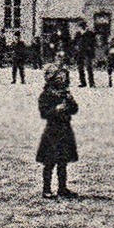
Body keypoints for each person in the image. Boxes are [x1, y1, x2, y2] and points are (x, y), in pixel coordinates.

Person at [36, 65, 80, 199]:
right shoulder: (46, 95)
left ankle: (62, 188)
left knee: (63, 161)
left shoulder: (65, 93)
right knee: (49, 162)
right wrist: (56, 109)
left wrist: (71, 103)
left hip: (65, 130)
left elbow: (74, 110)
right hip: (52, 131)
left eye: (64, 77)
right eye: (59, 77)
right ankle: (46, 189)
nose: (62, 80)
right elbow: (44, 113)